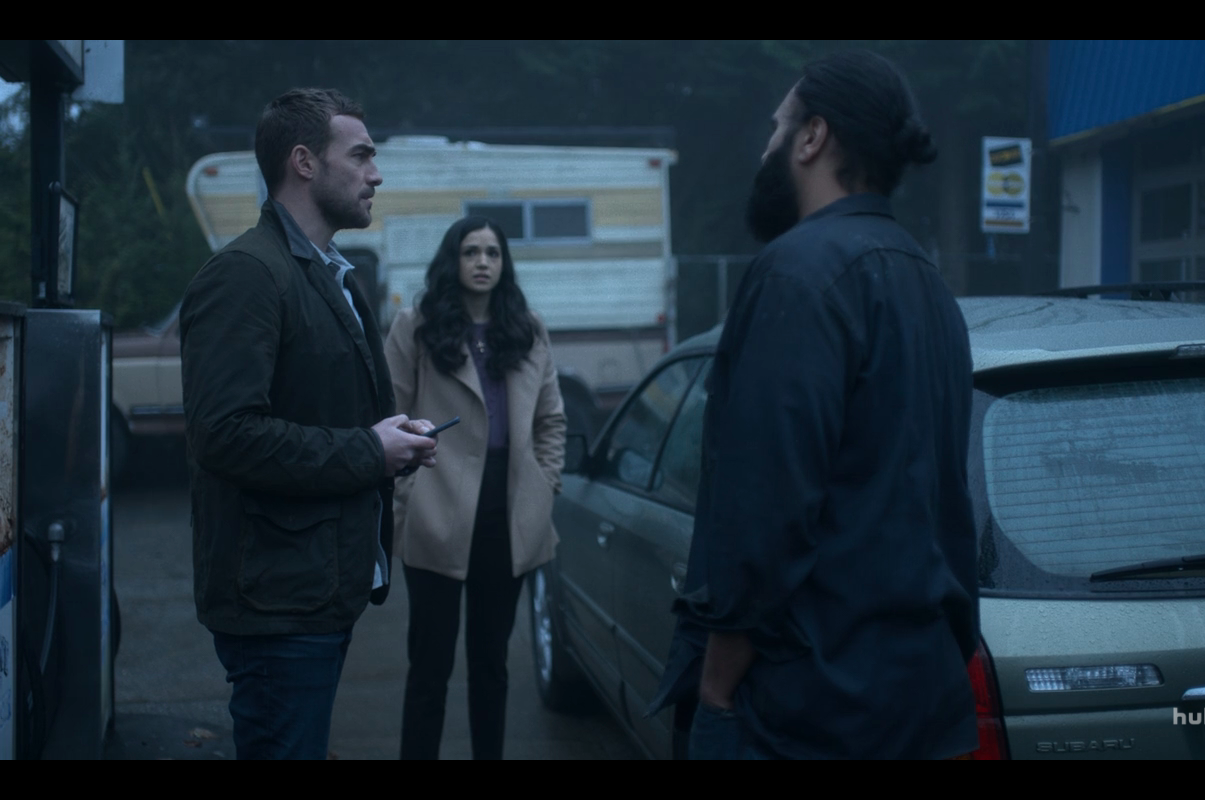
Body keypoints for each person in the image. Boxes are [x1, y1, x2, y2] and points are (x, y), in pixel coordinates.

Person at [648, 49, 981, 759]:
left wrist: (715, 683)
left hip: (803, 715)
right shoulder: (931, 288)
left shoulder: (797, 273)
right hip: (922, 705)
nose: (766, 145)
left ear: (812, 137)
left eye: (777, 127)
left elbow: (764, 510)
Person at [180, 88, 440, 760]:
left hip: (317, 590)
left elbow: (319, 408)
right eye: (360, 156)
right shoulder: (244, 274)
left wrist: (393, 436)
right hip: (275, 605)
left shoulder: (335, 277)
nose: (376, 174)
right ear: (303, 162)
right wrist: (367, 450)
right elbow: (225, 434)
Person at [384, 215, 566, 760]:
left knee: (492, 665)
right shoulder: (416, 325)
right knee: (430, 668)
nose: (483, 262)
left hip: (508, 516)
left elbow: (551, 420)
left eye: (492, 252)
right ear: (453, 261)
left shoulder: (527, 328)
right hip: (436, 512)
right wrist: (404, 499)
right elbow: (388, 416)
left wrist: (545, 484)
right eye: (471, 252)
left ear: (504, 263)